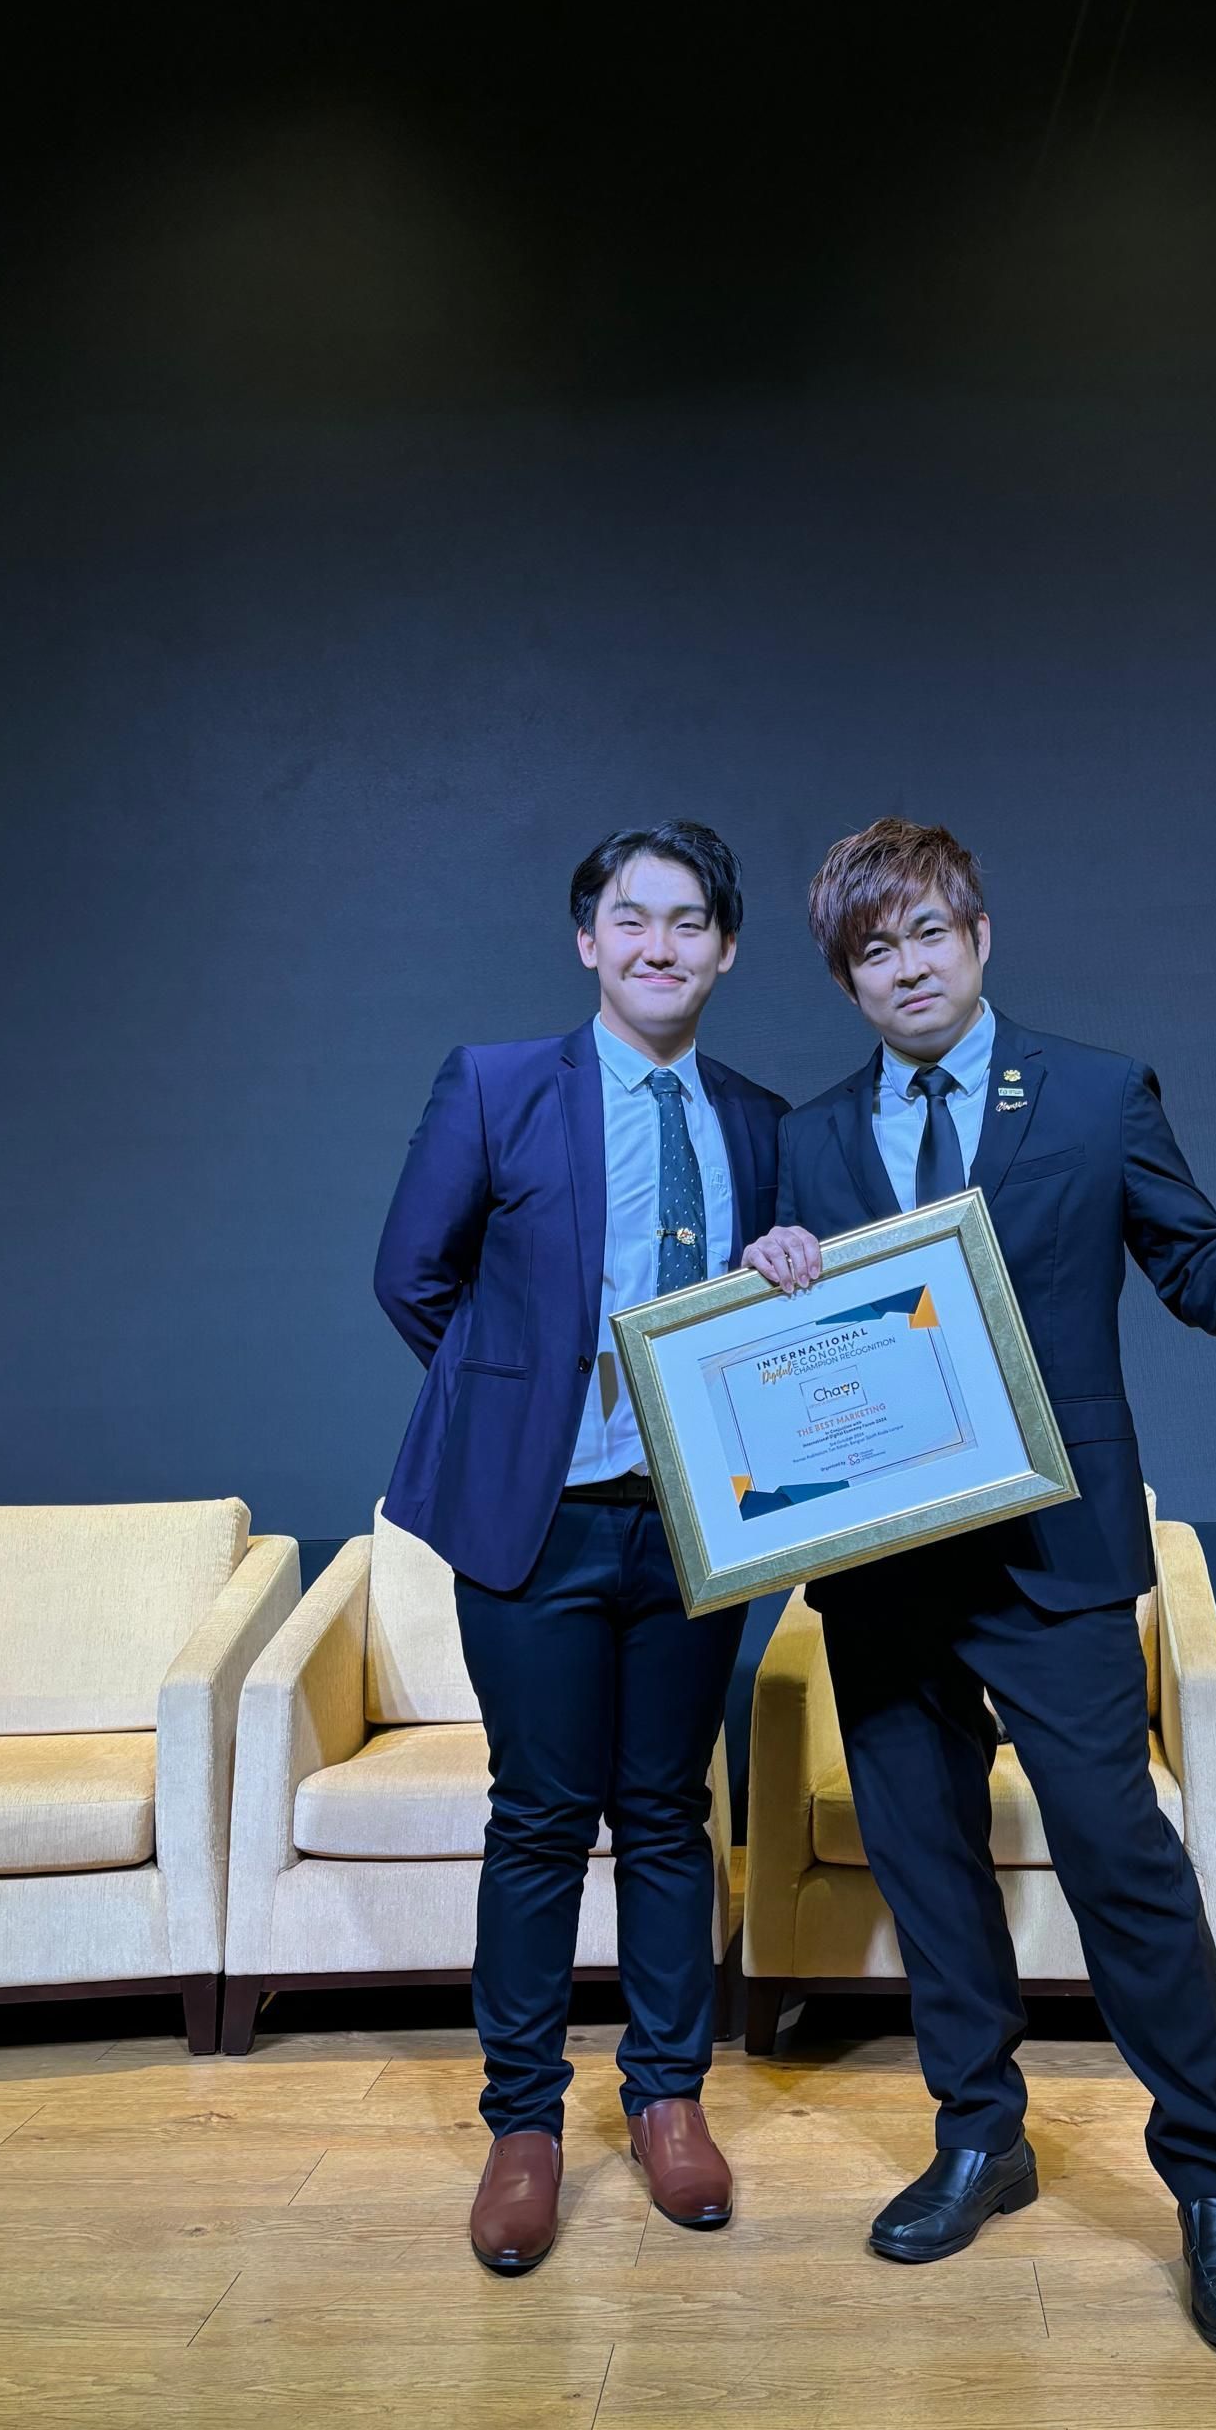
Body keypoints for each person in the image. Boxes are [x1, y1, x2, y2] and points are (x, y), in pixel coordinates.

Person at [742, 816, 1216, 2355]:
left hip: (1055, 1550)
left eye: (929, 933)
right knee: (925, 1861)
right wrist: (765, 1276)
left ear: (979, 936)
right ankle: (981, 2137)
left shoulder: (1094, 1093)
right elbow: (780, 1354)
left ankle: (1213, 2187)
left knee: (1118, 1855)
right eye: (873, 950)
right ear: (846, 978)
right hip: (883, 1565)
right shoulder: (807, 1139)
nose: (908, 968)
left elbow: (1194, 1264)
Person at [376, 819, 787, 2275]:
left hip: (691, 1526)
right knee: (542, 1819)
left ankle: (670, 2101)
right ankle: (525, 2128)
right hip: (537, 1523)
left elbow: (778, 1318)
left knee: (669, 1812)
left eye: (689, 923)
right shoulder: (498, 1086)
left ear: (725, 951)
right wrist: (522, 1410)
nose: (658, 944)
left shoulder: (759, 1120)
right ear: (588, 939)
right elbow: (412, 1276)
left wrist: (784, 1272)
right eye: (632, 918)